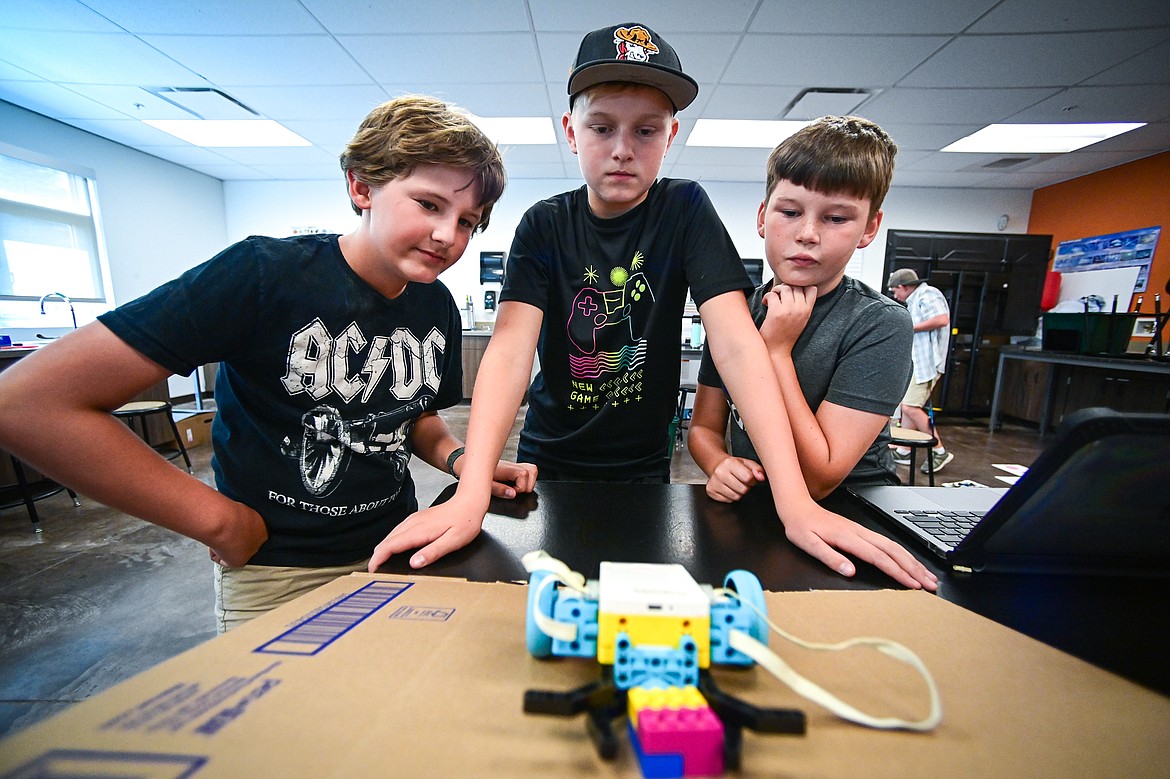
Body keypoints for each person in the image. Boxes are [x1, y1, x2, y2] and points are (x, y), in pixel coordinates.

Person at [369, 24, 937, 592]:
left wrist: (795, 504)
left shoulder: (685, 209)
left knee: (630, 599)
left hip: (642, 464)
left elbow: (739, 344)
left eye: (646, 131)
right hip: (548, 459)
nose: (622, 149)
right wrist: (470, 496)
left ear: (671, 136)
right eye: (601, 127)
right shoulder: (545, 223)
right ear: (572, 131)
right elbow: (510, 351)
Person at [0, 95, 536, 631]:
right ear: (362, 187)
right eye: (429, 204)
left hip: (396, 550)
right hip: (277, 573)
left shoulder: (433, 302)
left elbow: (415, 416)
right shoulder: (261, 276)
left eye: (469, 221)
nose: (449, 236)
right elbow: (27, 405)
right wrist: (218, 521)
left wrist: (464, 461)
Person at [688, 116, 917, 506]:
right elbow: (704, 428)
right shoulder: (735, 312)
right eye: (790, 212)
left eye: (836, 218)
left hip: (853, 506)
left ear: (869, 228)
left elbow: (817, 479)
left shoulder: (879, 323)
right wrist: (718, 463)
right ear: (763, 217)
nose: (807, 233)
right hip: (762, 506)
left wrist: (776, 351)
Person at [887, 267, 953, 472]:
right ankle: (905, 450)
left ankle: (939, 450)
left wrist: (910, 327)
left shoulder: (927, 293)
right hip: (917, 361)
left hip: (927, 364)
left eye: (895, 291)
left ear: (903, 287)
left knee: (910, 408)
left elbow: (942, 319)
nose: (895, 296)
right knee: (906, 405)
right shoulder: (914, 299)